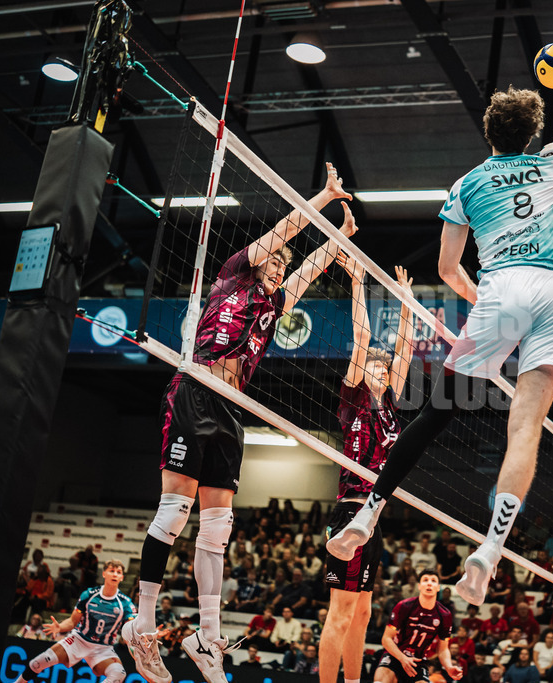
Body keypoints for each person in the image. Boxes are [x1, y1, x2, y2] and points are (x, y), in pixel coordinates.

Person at [328, 61, 553, 607]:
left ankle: (369, 514)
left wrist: (482, 300)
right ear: (531, 133)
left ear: (489, 133)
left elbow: (447, 270)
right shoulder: (552, 161)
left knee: (438, 411)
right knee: (526, 427)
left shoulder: (466, 186)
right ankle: (489, 551)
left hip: (502, 287)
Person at [122, 163, 357, 683]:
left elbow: (309, 268)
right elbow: (284, 230)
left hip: (231, 409)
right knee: (175, 510)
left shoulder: (275, 303)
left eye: (281, 265)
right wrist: (322, 198)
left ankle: (208, 637)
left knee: (218, 528)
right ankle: (141, 623)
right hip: (195, 389)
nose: (278, 265)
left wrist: (339, 239)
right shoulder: (233, 274)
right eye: (273, 260)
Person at [320, 260, 414, 683]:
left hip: (374, 518)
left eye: (383, 367)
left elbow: (406, 352)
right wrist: (357, 282)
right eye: (376, 366)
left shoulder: (392, 409)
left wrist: (407, 303)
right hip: (349, 513)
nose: (381, 369)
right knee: (340, 613)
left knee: (362, 613)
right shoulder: (354, 397)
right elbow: (361, 339)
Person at [12, 559, 135, 683]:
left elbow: (132, 626)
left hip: (103, 648)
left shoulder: (125, 603)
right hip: (79, 640)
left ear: (122, 578)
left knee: (119, 674)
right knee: (37, 663)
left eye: (118, 572)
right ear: (104, 574)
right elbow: (72, 621)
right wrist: (59, 627)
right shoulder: (89, 594)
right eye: (112, 571)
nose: (115, 574)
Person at [374, 571, 462, 683]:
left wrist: (449, 667)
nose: (429, 583)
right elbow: (386, 639)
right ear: (419, 586)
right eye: (425, 580)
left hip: (418, 661)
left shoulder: (445, 615)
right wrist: (402, 658)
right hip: (395, 655)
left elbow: (443, 648)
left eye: (433, 581)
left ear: (438, 588)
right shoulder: (404, 606)